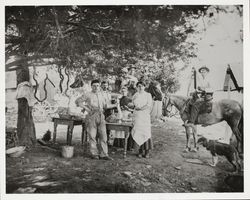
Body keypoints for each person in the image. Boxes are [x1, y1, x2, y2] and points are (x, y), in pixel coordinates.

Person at [75, 79, 116, 160]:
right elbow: (77, 101)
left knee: (103, 136)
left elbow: (105, 106)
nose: (96, 87)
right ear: (91, 86)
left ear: (99, 86)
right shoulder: (87, 94)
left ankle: (104, 154)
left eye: (97, 85)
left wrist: (115, 105)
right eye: (94, 85)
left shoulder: (102, 94)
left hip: (101, 115)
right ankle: (94, 154)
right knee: (92, 136)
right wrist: (86, 108)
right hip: (92, 115)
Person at [129, 81, 153, 158]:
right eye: (139, 86)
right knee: (138, 132)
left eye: (142, 86)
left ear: (144, 87)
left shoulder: (148, 95)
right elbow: (132, 103)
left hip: (144, 115)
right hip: (137, 116)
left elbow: (148, 105)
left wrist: (140, 109)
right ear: (136, 87)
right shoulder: (135, 95)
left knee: (145, 132)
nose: (140, 87)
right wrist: (132, 106)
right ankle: (139, 151)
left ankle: (147, 152)